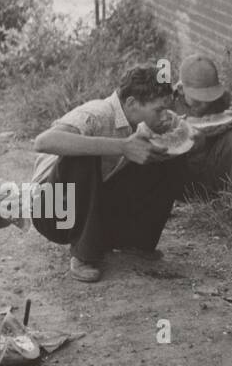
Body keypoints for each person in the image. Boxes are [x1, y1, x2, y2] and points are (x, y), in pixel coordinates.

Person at [30, 65, 186, 283]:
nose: (164, 116)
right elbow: (43, 142)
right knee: (84, 153)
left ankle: (136, 242)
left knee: (163, 156)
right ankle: (83, 255)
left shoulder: (139, 122)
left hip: (91, 205)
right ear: (131, 103)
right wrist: (122, 147)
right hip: (52, 211)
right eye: (158, 110)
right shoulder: (98, 113)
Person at [170, 54, 232, 199]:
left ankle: (223, 198)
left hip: (214, 176)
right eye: (197, 101)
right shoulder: (167, 102)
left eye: (210, 99)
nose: (205, 105)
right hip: (178, 181)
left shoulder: (225, 99)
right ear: (181, 89)